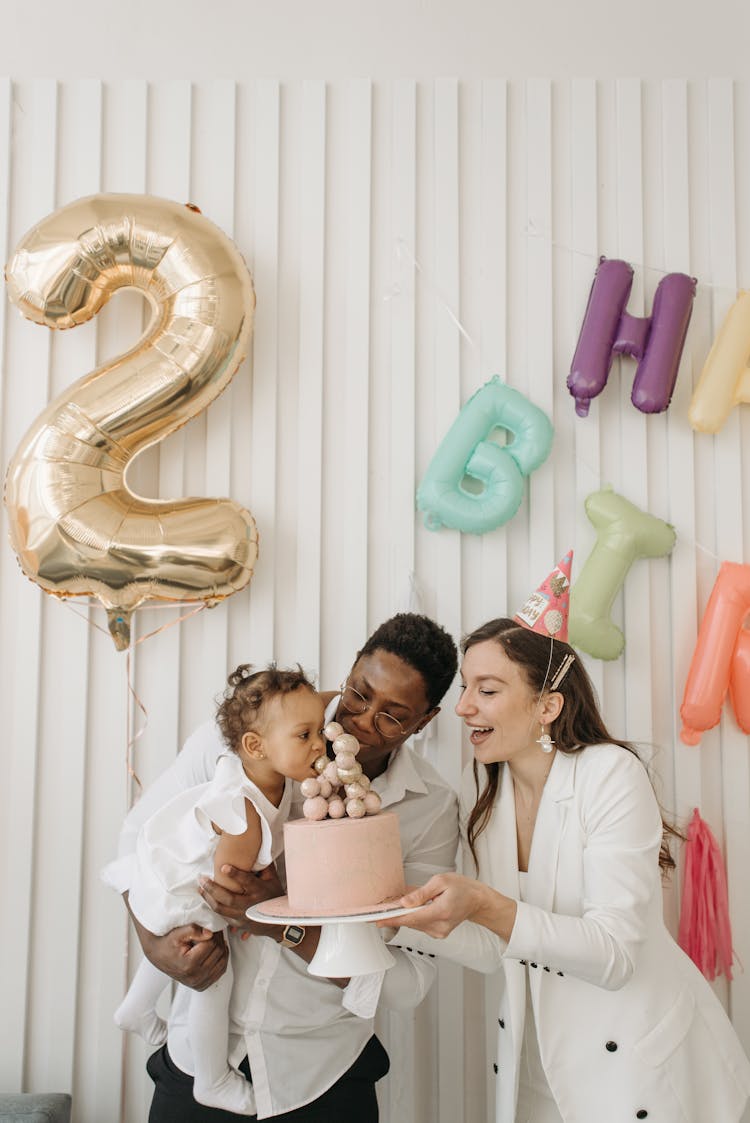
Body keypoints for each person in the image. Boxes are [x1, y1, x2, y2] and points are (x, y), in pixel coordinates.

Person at [386, 611, 750, 1122]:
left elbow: (614, 954)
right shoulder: (489, 796)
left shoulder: (610, 775)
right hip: (537, 1072)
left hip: (640, 1073)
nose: (463, 707)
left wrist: (487, 904)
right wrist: (388, 916)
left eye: (486, 691)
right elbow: (496, 947)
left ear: (548, 705)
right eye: (465, 688)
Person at [111, 612, 460, 1121]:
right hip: (196, 1058)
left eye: (392, 716)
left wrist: (285, 926)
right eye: (359, 694)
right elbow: (136, 844)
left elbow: (409, 983)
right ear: (350, 670)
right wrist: (154, 946)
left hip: (322, 1075)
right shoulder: (249, 732)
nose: (361, 721)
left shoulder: (430, 808)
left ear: (425, 721)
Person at [103, 664, 326, 1114]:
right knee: (212, 976)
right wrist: (249, 918)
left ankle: (134, 1009)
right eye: (304, 735)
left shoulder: (269, 777)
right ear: (255, 746)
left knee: (185, 941)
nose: (320, 744)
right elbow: (228, 886)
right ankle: (211, 1079)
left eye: (321, 730)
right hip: (190, 889)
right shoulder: (244, 813)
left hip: (174, 880)